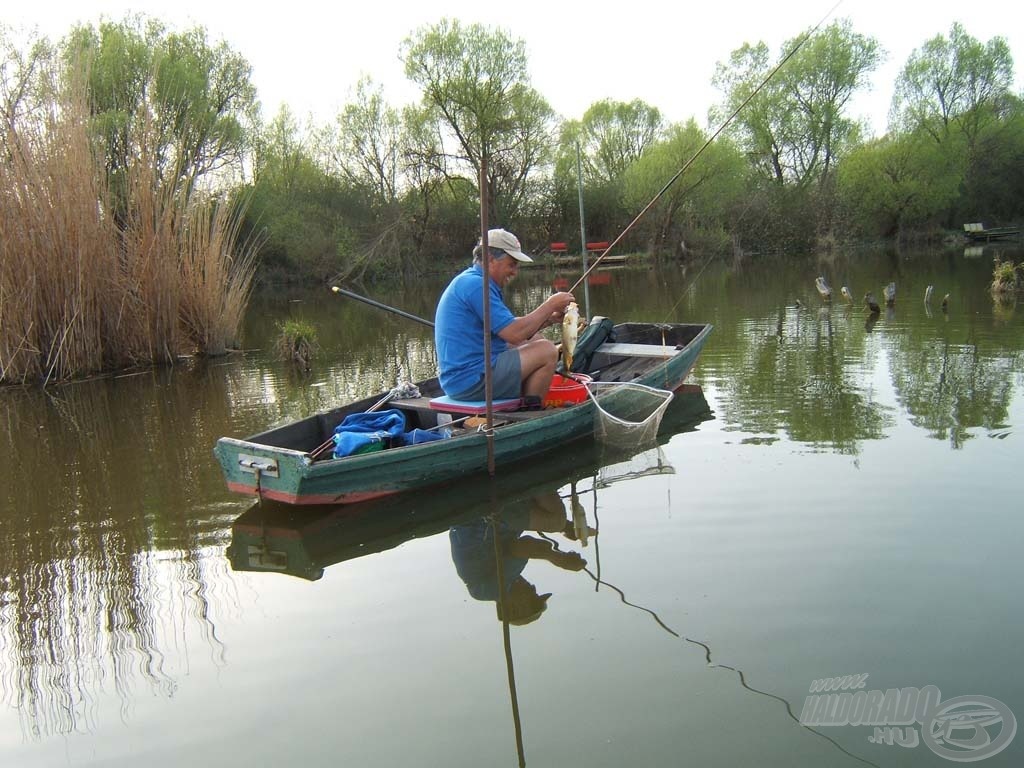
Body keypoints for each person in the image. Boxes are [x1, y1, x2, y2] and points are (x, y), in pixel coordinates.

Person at [435, 228, 575, 406]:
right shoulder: (477, 285)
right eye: (512, 264)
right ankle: (532, 412)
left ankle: (526, 400)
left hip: (463, 378)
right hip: (470, 380)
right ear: (491, 259)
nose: (515, 271)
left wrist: (548, 319)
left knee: (536, 340)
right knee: (547, 350)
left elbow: (507, 329)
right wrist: (550, 305)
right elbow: (514, 334)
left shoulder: (474, 281)